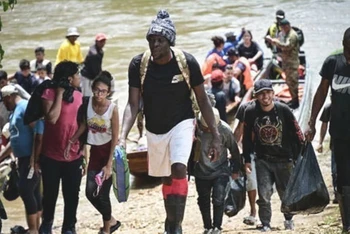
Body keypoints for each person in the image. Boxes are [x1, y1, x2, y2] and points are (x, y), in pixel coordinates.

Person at [119, 10, 221, 234]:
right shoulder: (138, 65)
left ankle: (176, 226)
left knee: (178, 168)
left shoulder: (187, 63)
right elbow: (132, 104)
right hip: (154, 128)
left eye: (160, 41)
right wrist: (122, 137)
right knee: (166, 176)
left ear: (169, 42)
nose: (154, 45)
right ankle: (170, 220)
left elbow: (202, 100)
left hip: (182, 123)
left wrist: (215, 135)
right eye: (151, 40)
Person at [304, 28, 350, 233]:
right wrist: (312, 122)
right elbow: (322, 92)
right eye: (348, 50)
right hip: (340, 132)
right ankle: (347, 224)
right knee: (343, 179)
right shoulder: (333, 63)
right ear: (343, 44)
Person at [243, 79, 304, 232]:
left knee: (286, 193)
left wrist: (299, 155)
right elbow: (246, 137)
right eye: (261, 94)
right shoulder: (250, 112)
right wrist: (246, 159)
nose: (265, 97)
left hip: (284, 158)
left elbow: (297, 133)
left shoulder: (283, 110)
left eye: (268, 93)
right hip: (262, 158)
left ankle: (288, 218)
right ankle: (265, 223)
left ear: (273, 93)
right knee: (263, 194)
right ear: (256, 96)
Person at [68, 71, 121, 234]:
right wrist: (72, 141)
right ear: (92, 88)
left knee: (102, 194)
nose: (99, 94)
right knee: (90, 193)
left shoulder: (112, 109)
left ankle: (106, 229)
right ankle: (111, 221)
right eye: (97, 90)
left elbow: (115, 138)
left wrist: (109, 164)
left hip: (108, 153)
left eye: (103, 91)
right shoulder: (88, 103)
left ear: (108, 92)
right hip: (96, 153)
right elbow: (85, 125)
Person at [38, 61, 84, 234]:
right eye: (77, 75)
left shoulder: (79, 96)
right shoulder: (48, 94)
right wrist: (59, 93)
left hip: (74, 156)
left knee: (72, 196)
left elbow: (82, 126)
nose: (79, 77)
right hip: (51, 157)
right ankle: (47, 224)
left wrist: (84, 154)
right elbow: (52, 119)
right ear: (69, 79)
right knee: (50, 195)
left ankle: (69, 228)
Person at [0, 85, 43, 234]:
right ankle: (36, 228)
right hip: (22, 160)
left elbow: (38, 132)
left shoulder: (25, 108)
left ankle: (33, 229)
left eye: (4, 101)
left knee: (25, 190)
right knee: (33, 191)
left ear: (9, 97)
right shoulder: (14, 113)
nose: (4, 105)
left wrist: (34, 158)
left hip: (30, 159)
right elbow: (14, 140)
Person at [194, 107, 240, 234]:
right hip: (201, 170)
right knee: (203, 200)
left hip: (221, 169)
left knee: (218, 198)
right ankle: (207, 227)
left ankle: (217, 227)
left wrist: (236, 169)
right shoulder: (195, 128)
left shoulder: (225, 130)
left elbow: (234, 150)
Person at [233, 100, 258, 226]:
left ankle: (267, 214)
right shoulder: (245, 108)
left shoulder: (274, 106)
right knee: (251, 181)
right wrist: (232, 149)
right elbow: (239, 130)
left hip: (269, 150)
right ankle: (253, 211)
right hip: (250, 150)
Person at [265, 19, 300, 109]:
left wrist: (275, 42)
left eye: (282, 28)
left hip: (292, 63)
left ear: (287, 26)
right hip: (287, 63)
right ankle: (293, 99)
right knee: (289, 82)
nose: (282, 30)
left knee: (293, 83)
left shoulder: (292, 35)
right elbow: (281, 40)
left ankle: (296, 102)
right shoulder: (286, 34)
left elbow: (287, 46)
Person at [316, 103, 338, 204]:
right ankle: (338, 193)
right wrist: (320, 142)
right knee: (336, 171)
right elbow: (324, 125)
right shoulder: (330, 107)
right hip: (336, 145)